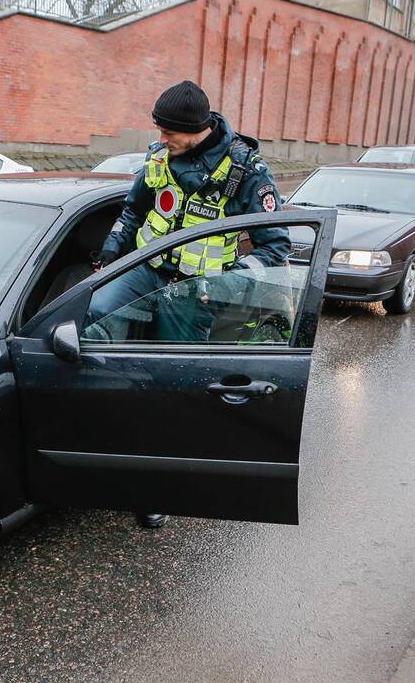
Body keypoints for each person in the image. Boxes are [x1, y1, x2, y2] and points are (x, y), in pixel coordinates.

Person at [88, 80, 291, 530]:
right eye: (158, 130)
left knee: (176, 388)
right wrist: (107, 259)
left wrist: (222, 286)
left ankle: (164, 486)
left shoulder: (246, 170)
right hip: (146, 271)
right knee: (89, 319)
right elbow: (132, 213)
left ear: (196, 129)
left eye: (168, 132)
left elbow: (276, 247)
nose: (160, 139)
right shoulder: (158, 156)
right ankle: (96, 432)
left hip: (194, 293)